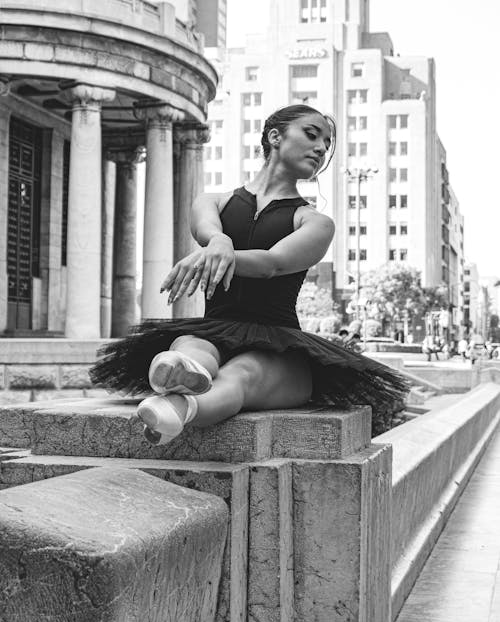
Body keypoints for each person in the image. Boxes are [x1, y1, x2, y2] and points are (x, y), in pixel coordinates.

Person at [91, 104, 408, 443]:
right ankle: (175, 371)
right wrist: (218, 241)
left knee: (243, 373)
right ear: (275, 137)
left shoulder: (315, 222)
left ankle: (174, 410)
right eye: (312, 135)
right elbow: (206, 229)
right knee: (190, 348)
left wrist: (221, 252)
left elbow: (272, 263)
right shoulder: (213, 201)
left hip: (279, 348)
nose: (321, 149)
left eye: (327, 144)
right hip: (212, 332)